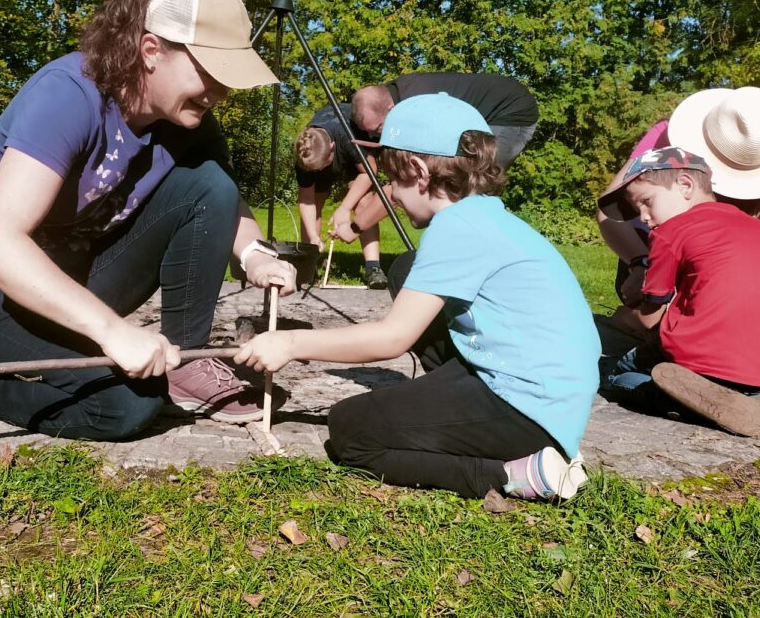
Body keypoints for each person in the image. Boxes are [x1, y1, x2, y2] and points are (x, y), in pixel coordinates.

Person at [0, 0, 297, 441]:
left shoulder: (188, 120)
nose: (220, 91)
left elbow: (223, 197)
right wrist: (111, 330)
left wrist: (252, 253)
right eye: (210, 70)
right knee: (125, 407)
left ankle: (182, 364)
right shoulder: (69, 94)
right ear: (150, 50)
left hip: (73, 278)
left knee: (208, 181)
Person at [237, 94, 600, 500]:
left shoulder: (455, 228)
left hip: (528, 408)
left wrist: (289, 342)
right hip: (550, 393)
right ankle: (469, 423)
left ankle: (511, 473)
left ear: (417, 171)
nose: (389, 191)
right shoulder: (484, 215)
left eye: (391, 180)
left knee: (351, 430)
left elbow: (393, 338)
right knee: (406, 267)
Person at [596, 86, 760, 381]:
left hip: (721, 282)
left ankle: (668, 377)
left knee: (624, 371)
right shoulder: (666, 143)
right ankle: (740, 370)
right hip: (654, 264)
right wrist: (639, 263)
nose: (644, 215)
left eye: (648, 204)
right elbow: (609, 214)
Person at [597, 146, 760, 437]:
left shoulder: (669, 232)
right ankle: (723, 396)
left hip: (703, 361)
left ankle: (675, 399)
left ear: (685, 186)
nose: (642, 217)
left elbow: (647, 319)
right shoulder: (759, 230)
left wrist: (623, 317)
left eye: (646, 202)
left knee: (617, 372)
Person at [328, 72, 538, 245]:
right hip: (491, 106)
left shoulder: (417, 110)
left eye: (378, 129)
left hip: (509, 114)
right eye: (371, 134)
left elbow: (403, 185)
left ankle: (471, 256)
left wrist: (355, 228)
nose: (376, 137)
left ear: (391, 110)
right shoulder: (395, 100)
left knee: (469, 188)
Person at [294, 104, 388, 288]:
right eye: (316, 169)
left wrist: (344, 208)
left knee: (363, 202)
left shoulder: (346, 136)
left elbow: (370, 172)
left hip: (358, 162)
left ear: (332, 147)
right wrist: (314, 237)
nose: (320, 171)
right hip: (327, 154)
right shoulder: (306, 153)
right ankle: (309, 263)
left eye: (322, 166)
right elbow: (307, 201)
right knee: (317, 200)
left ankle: (373, 268)